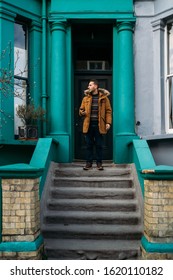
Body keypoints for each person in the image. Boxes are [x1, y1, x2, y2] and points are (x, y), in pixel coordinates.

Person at [79, 79, 112, 170]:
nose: (88, 87)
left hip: (99, 125)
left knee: (99, 145)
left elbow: (108, 111)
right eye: (88, 85)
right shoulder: (85, 98)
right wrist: (82, 112)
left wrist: (108, 123)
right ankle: (88, 163)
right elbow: (81, 110)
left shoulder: (104, 98)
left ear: (96, 86)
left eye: (90, 85)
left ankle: (99, 163)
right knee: (89, 145)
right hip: (88, 125)